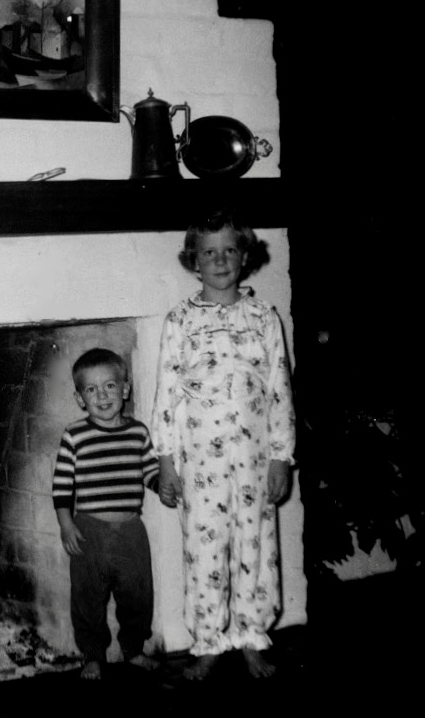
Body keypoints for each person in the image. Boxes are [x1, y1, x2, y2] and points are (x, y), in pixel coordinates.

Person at [151, 208, 295, 681]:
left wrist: (281, 457)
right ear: (194, 261)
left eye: (229, 249)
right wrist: (166, 461)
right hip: (199, 459)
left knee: (256, 547)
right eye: (209, 252)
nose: (220, 259)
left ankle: (252, 637)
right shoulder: (180, 321)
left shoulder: (263, 317)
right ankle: (210, 641)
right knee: (205, 549)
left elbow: (279, 389)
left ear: (245, 257)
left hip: (254, 460)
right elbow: (166, 393)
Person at [52, 348, 160, 681]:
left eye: (110, 386)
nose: (102, 395)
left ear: (125, 389)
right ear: (79, 397)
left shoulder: (139, 433)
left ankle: (134, 650)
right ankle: (93, 655)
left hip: (130, 528)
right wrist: (66, 524)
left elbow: (151, 471)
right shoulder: (75, 436)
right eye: (91, 389)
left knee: (138, 593)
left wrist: (164, 485)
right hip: (89, 529)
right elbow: (61, 486)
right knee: (87, 597)